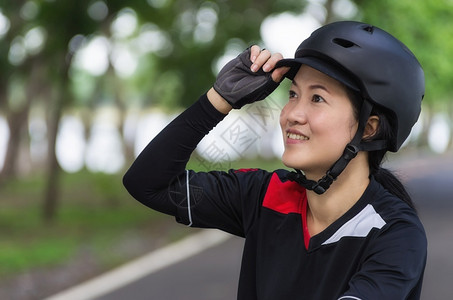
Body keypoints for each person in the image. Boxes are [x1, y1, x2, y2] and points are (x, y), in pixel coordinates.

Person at [123, 21, 427, 299]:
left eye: (317, 98)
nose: (291, 115)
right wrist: (218, 100)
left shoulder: (395, 235)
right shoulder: (265, 195)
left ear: (369, 128)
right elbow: (149, 184)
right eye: (293, 95)